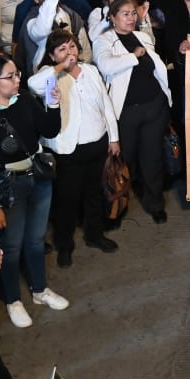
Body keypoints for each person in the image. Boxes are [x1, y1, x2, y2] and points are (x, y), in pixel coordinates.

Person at [0, 54, 64, 329]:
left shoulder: (25, 100)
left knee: (35, 240)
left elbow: (51, 129)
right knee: (11, 247)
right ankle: (13, 300)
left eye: (17, 73)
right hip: (5, 186)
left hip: (38, 178)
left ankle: (40, 290)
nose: (18, 79)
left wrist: (53, 104)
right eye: (11, 76)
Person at [29, 29, 120, 265]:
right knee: (67, 201)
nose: (69, 52)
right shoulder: (50, 77)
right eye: (62, 49)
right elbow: (32, 84)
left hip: (97, 143)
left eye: (71, 46)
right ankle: (64, 245)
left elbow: (106, 104)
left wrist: (113, 137)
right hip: (67, 151)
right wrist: (60, 67)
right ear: (52, 55)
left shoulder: (90, 71)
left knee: (94, 195)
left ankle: (95, 234)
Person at [94, 0, 172, 225]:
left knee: (153, 158)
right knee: (124, 161)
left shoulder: (143, 36)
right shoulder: (104, 40)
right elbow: (106, 65)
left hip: (153, 107)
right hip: (125, 112)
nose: (130, 18)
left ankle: (155, 203)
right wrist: (132, 56)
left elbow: (155, 65)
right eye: (125, 14)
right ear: (112, 18)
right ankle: (117, 207)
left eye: (132, 13)